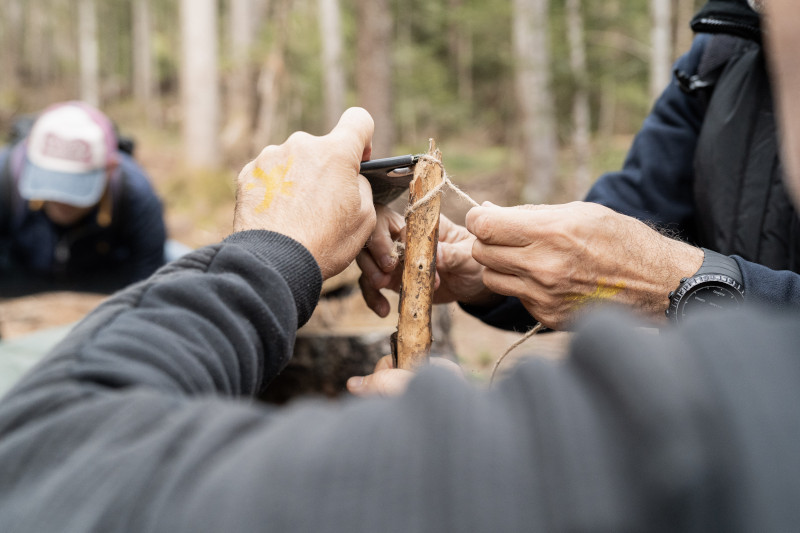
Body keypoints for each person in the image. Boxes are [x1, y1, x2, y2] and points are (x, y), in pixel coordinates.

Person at [2, 52, 800, 529]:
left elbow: (49, 467)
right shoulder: (721, 47)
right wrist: (489, 278)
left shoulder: (695, 457)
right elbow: (620, 231)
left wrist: (268, 254)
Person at [358, 0, 800, 332]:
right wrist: (495, 275)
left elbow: (638, 269)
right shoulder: (724, 46)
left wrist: (687, 286)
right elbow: (630, 213)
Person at [0, 101, 167, 297]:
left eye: (74, 185)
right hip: (20, 271)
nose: (61, 199)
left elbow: (148, 276)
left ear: (110, 170)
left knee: (176, 260)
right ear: (29, 161)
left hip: (105, 274)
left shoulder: (134, 191)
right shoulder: (5, 177)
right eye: (51, 182)